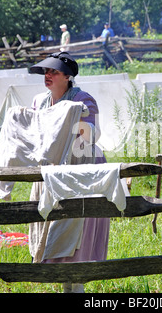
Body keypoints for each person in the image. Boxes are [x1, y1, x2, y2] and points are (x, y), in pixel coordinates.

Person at [29, 52, 109, 293]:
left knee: (77, 229)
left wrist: (74, 115)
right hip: (52, 170)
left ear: (68, 76)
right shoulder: (39, 102)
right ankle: (65, 285)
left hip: (80, 169)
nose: (48, 75)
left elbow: (91, 136)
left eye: (53, 71)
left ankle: (77, 288)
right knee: (53, 224)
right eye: (46, 71)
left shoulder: (84, 100)